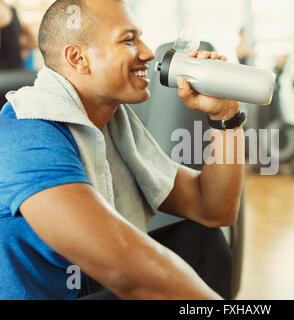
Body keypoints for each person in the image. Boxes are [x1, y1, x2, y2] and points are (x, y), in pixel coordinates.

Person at [0, 0, 244, 300]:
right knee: (143, 276)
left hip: (82, 286)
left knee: (202, 244)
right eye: (129, 40)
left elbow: (214, 208)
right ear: (78, 58)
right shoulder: (30, 132)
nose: (148, 52)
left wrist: (225, 118)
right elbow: (125, 270)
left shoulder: (112, 126)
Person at [0, 0, 37, 69]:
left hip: (9, 71)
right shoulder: (11, 9)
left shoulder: (11, 10)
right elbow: (33, 42)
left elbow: (33, 42)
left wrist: (24, 48)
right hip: (17, 69)